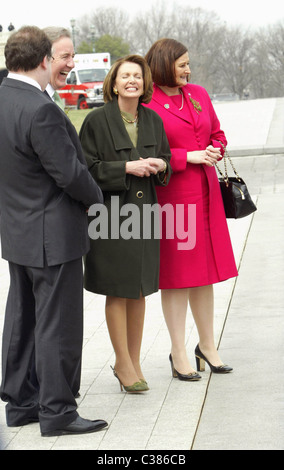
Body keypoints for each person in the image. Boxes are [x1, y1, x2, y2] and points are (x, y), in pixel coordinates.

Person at [0, 26, 107, 437]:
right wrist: (96, 200)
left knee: (23, 317)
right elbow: (69, 173)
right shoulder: (39, 108)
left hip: (18, 229)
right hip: (53, 232)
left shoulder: (5, 97)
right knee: (56, 322)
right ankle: (58, 410)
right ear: (45, 59)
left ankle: (22, 403)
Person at [144, 38, 237, 380]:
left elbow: (218, 133)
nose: (188, 69)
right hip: (174, 199)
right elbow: (148, 154)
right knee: (178, 278)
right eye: (181, 64)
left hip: (207, 193)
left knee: (205, 274)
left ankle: (208, 346)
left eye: (188, 64)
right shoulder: (148, 103)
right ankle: (178, 351)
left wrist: (215, 149)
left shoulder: (197, 94)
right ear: (164, 64)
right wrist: (188, 157)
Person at [79, 55, 171, 392]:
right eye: (125, 75)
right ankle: (122, 362)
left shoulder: (153, 120)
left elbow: (167, 159)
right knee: (118, 290)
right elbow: (85, 169)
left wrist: (161, 163)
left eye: (137, 76)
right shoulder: (95, 121)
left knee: (140, 289)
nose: (131, 80)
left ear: (145, 84)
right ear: (114, 83)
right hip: (110, 217)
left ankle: (133, 361)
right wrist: (125, 169)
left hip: (145, 218)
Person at [43, 27, 74, 109]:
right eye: (65, 56)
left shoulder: (52, 99)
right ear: (44, 58)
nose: (72, 64)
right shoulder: (35, 103)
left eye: (72, 56)